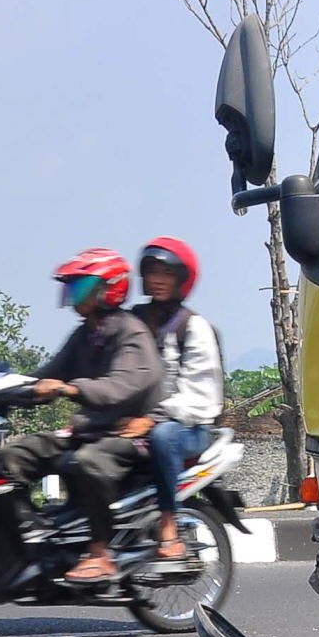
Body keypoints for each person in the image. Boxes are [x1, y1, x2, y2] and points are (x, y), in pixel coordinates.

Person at [0, 249, 160, 584]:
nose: (72, 294)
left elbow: (122, 386)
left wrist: (70, 389)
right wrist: (6, 390)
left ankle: (99, 554)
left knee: (88, 463)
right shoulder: (85, 334)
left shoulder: (131, 332)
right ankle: (29, 537)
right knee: (13, 455)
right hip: (89, 431)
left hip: (128, 436)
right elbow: (49, 374)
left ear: (108, 289)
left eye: (80, 286)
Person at [130, 237, 224, 560]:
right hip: (139, 422)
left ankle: (168, 524)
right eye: (152, 271)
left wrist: (153, 418)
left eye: (166, 273)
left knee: (164, 435)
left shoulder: (194, 327)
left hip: (189, 427)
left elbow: (201, 396)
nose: (157, 279)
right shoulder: (135, 321)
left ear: (181, 280)